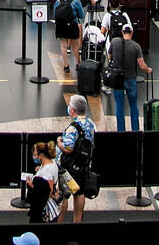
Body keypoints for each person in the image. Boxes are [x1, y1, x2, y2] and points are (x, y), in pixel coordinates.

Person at [57, 94, 96, 223]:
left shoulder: (73, 127)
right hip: (82, 165)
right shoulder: (90, 123)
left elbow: (68, 148)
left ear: (72, 110)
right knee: (79, 193)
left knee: (63, 194)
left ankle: (59, 221)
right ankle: (77, 221)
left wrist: (59, 143)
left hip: (69, 168)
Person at [107, 23, 151, 132]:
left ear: (122, 32)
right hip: (130, 79)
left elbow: (109, 57)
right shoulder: (136, 46)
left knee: (119, 105)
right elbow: (141, 65)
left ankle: (121, 131)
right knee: (133, 104)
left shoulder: (114, 42)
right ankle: (135, 131)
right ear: (132, 33)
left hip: (118, 80)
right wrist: (148, 70)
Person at [23, 140, 60, 223]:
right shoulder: (49, 163)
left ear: (41, 156)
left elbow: (48, 191)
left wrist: (31, 185)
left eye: (35, 154)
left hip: (44, 210)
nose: (33, 156)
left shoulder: (48, 170)